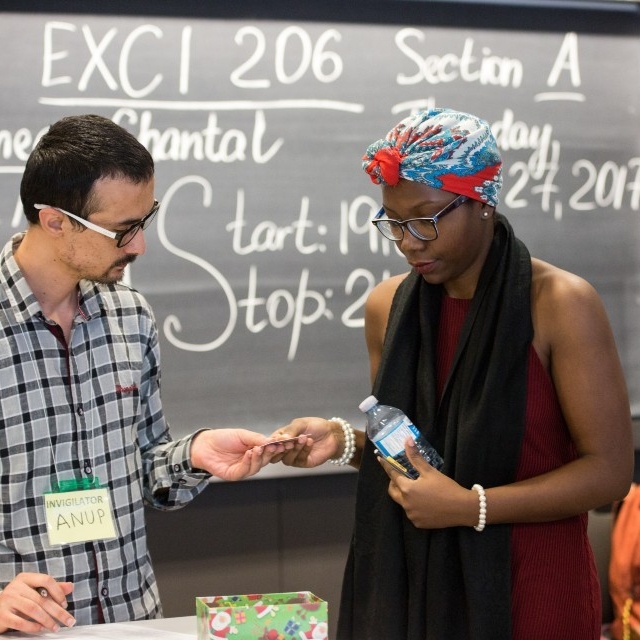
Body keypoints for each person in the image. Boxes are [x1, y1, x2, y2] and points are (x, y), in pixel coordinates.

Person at [271, 108, 634, 639]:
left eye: (426, 219)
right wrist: (344, 443)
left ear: (482, 202)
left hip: (534, 594)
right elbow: (418, 456)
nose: (408, 242)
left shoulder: (559, 304)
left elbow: (608, 472)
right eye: (392, 221)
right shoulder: (387, 307)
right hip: (420, 594)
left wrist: (471, 507)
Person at [0, 114, 295, 634]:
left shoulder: (130, 315)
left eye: (145, 220)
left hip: (133, 618)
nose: (139, 246)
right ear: (55, 221)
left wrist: (195, 456)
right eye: (122, 231)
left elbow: (147, 473)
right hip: (27, 629)